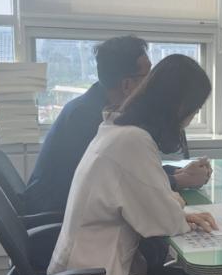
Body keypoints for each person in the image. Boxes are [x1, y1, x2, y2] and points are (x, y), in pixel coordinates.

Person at [44, 55, 222, 275]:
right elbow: (162, 221)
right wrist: (176, 209)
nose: (190, 120)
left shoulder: (116, 129)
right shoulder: (132, 142)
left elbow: (149, 202)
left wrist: (171, 207)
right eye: (193, 110)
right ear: (178, 107)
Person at [24, 35, 211, 216]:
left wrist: (177, 172)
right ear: (127, 84)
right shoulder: (89, 118)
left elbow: (125, 170)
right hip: (54, 211)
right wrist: (178, 180)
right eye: (148, 76)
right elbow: (116, 184)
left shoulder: (104, 109)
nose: (153, 82)